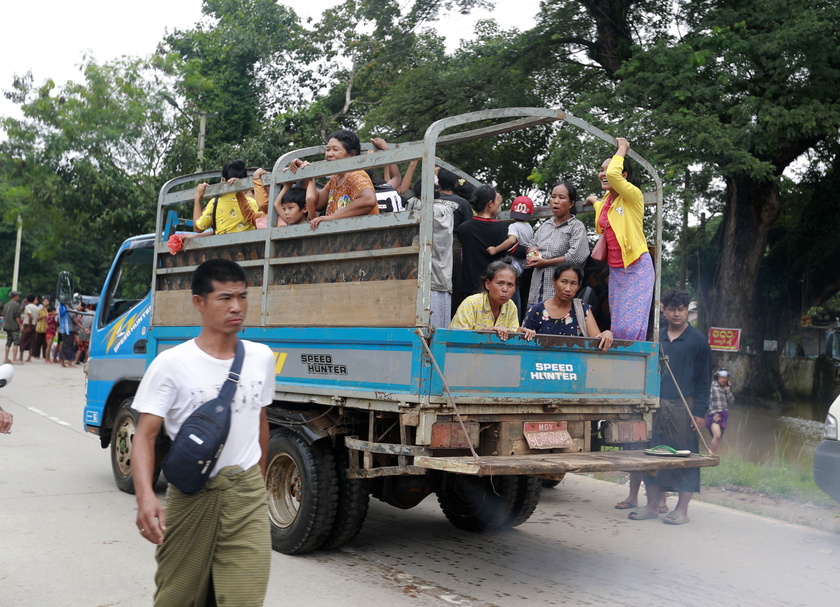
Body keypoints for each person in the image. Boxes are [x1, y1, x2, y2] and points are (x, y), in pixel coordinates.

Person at [132, 259, 274, 607]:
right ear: (200, 302)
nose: (236, 307)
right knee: (177, 597)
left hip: (246, 496)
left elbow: (261, 421)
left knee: (244, 598)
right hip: (192, 494)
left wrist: (258, 479)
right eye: (225, 298)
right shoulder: (171, 364)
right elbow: (144, 436)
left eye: (242, 296)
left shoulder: (262, 357)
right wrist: (146, 497)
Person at [628, 289, 712, 526]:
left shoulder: (698, 341)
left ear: (688, 311)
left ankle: (682, 510)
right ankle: (653, 505)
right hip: (655, 405)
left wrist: (700, 413)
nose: (677, 313)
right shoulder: (658, 338)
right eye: (672, 309)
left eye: (682, 309)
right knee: (652, 455)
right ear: (663, 310)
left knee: (686, 456)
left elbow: (705, 380)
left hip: (684, 405)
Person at [584, 138, 654, 340]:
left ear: (623, 175)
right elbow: (604, 218)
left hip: (637, 267)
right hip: (617, 271)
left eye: (609, 169)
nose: (603, 174)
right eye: (601, 170)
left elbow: (614, 176)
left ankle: (632, 365)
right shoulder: (607, 201)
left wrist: (622, 148)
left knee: (630, 329)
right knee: (618, 326)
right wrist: (594, 201)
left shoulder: (633, 196)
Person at [288, 129, 379, 230]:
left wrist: (330, 218)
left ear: (351, 155)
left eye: (335, 150)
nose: (329, 154)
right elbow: (318, 203)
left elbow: (368, 200)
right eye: (327, 150)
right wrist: (305, 172)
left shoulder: (355, 174)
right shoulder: (335, 178)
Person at [522, 263, 613, 352]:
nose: (568, 288)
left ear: (578, 287)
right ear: (554, 282)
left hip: (573, 364)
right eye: (564, 282)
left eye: (573, 283)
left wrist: (607, 334)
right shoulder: (536, 310)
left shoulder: (581, 309)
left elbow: (596, 341)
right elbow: (522, 341)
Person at [405, 178, 459, 328]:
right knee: (439, 327)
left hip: (422, 278)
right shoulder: (448, 210)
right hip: (444, 277)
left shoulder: (418, 207)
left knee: (422, 326)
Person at [526, 182, 589, 306]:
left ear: (571, 203)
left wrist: (546, 263)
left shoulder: (576, 227)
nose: (555, 201)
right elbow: (531, 243)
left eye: (561, 197)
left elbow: (576, 257)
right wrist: (531, 251)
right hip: (536, 290)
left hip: (560, 295)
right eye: (553, 196)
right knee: (531, 322)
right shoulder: (545, 226)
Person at [450, 260, 536, 342]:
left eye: (510, 284)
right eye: (500, 283)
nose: (505, 289)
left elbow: (509, 337)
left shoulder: (510, 306)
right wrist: (488, 331)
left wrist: (519, 333)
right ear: (488, 284)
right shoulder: (471, 303)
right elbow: (456, 337)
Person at [456, 185, 510, 303]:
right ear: (490, 203)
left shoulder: (464, 228)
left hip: (468, 287)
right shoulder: (501, 227)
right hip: (492, 288)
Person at [488, 195, 535, 320]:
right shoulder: (529, 227)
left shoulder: (513, 226)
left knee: (510, 294)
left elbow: (511, 240)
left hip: (514, 264)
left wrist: (495, 249)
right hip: (525, 265)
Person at [193, 159, 261, 236]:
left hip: (222, 246)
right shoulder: (253, 202)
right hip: (250, 246)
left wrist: (197, 197)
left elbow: (198, 228)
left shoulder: (215, 202)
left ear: (223, 180)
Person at [707, 368, 734, 453]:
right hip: (713, 415)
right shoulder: (712, 387)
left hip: (723, 415)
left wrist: (728, 391)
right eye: (722, 377)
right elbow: (708, 403)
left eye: (725, 378)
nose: (724, 380)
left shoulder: (725, 389)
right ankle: (710, 454)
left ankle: (716, 457)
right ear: (717, 378)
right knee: (717, 435)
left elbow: (732, 402)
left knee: (718, 438)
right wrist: (715, 415)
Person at [3, 291, 22, 364]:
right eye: (17, 296)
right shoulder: (16, 305)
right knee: (16, 342)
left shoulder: (6, 304)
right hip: (14, 326)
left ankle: (6, 358)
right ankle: (14, 358)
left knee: (8, 342)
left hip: (7, 325)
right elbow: (17, 317)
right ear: (15, 296)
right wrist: (20, 325)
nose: (18, 297)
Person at [20, 294, 39, 362]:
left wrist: (29, 327)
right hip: (34, 325)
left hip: (28, 324)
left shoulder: (27, 307)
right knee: (31, 341)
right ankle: (29, 358)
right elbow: (36, 318)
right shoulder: (36, 308)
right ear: (34, 300)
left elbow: (30, 316)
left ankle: (21, 357)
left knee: (23, 340)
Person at [35, 296, 49, 361]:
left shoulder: (49, 310)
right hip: (40, 327)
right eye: (45, 301)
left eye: (47, 301)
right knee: (38, 342)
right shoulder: (39, 310)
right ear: (42, 302)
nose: (46, 303)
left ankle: (45, 355)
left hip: (47, 328)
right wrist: (42, 317)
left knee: (45, 343)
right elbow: (36, 319)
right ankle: (36, 354)